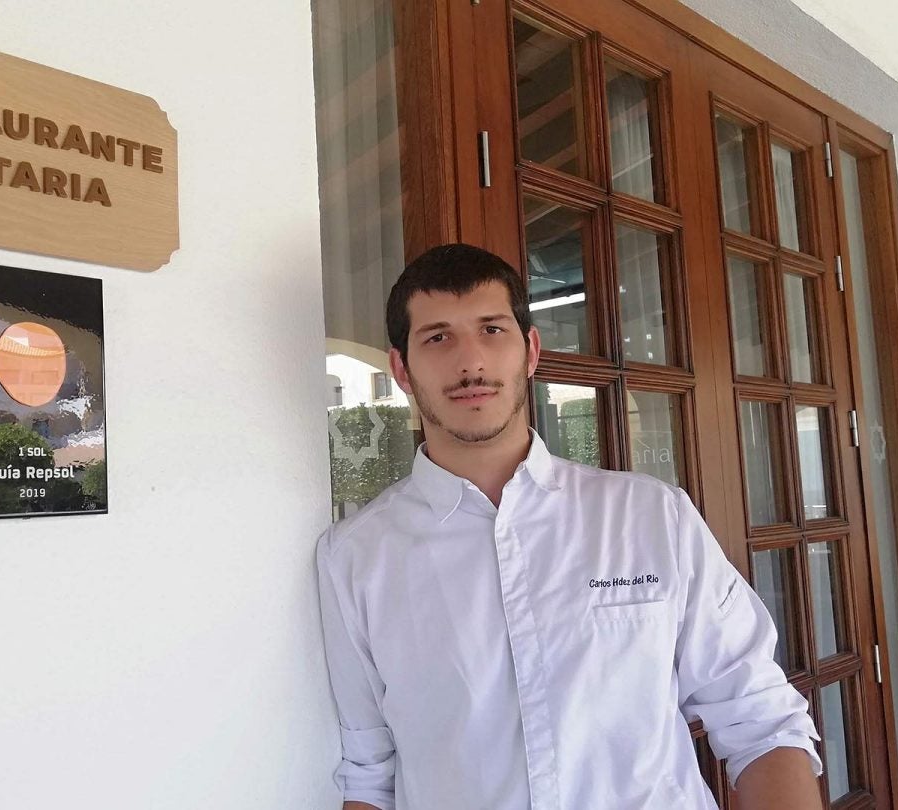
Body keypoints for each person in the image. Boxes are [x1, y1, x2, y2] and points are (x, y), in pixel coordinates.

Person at [315, 244, 824, 810]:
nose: (471, 362)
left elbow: (758, 715)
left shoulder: (651, 517)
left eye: (492, 329)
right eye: (438, 337)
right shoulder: (355, 556)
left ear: (530, 350)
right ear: (402, 370)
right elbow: (368, 770)